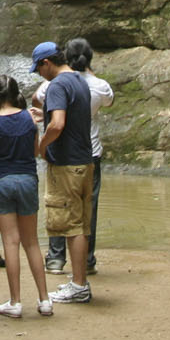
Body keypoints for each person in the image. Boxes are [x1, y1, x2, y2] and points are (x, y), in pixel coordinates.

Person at [39, 36, 115, 276]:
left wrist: (41, 146)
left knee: (60, 210)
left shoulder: (57, 85)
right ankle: (86, 263)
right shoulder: (94, 85)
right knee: (85, 214)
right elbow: (110, 101)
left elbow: (51, 114)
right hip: (90, 153)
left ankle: (56, 258)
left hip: (66, 157)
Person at [0, 72, 52, 317]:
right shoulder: (29, 118)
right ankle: (44, 300)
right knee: (32, 242)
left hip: (0, 181)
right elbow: (35, 152)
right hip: (27, 180)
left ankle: (16, 302)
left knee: (10, 241)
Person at [32, 40, 94, 305]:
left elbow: (57, 124)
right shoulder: (79, 80)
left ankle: (79, 285)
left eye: (38, 69)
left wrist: (41, 145)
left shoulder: (56, 85)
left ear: (47, 63)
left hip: (67, 164)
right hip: (84, 161)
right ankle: (79, 281)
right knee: (79, 223)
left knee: (71, 226)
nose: (38, 74)